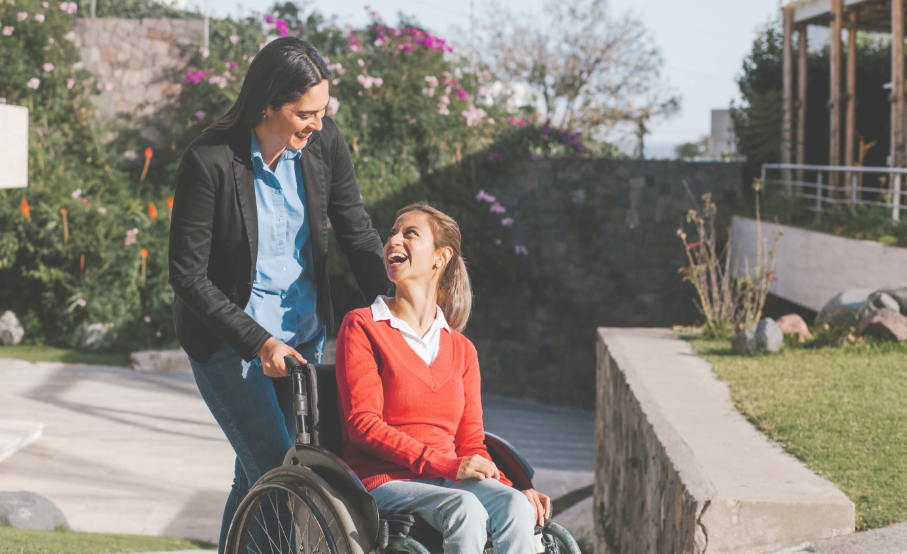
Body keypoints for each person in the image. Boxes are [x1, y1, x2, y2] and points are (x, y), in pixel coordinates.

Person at [168, 37, 392, 551]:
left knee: (255, 477)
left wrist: (398, 311)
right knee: (279, 470)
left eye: (321, 111)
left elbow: (357, 234)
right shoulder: (209, 161)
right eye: (303, 113)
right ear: (267, 103)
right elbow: (188, 276)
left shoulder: (324, 145)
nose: (316, 124)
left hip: (303, 341)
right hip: (230, 343)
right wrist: (258, 341)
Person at [335, 203, 551, 554]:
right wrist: (446, 464)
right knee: (463, 509)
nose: (394, 240)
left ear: (440, 257)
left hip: (448, 478)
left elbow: (471, 446)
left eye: (410, 233)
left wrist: (511, 487)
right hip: (385, 480)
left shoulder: (462, 349)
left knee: (515, 507)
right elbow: (364, 425)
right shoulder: (362, 326)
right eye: (392, 232)